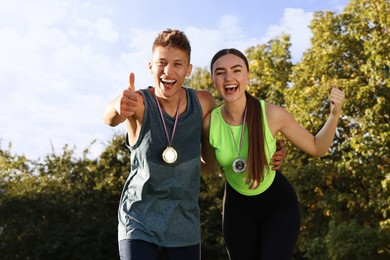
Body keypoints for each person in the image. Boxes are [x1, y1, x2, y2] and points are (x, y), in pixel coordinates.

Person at [103, 29, 286, 260]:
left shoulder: (203, 102)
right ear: (150, 66)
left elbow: (228, 134)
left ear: (188, 70)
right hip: (138, 218)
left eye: (177, 64)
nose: (168, 71)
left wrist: (273, 146)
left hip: (184, 222)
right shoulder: (138, 103)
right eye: (162, 62)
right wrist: (118, 106)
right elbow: (110, 117)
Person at [202, 48, 345, 260]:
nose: (229, 77)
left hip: (278, 206)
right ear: (213, 80)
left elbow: (317, 147)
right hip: (237, 210)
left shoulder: (271, 114)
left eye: (236, 70)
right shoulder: (209, 124)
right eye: (220, 72)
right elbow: (209, 166)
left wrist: (334, 115)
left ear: (248, 76)